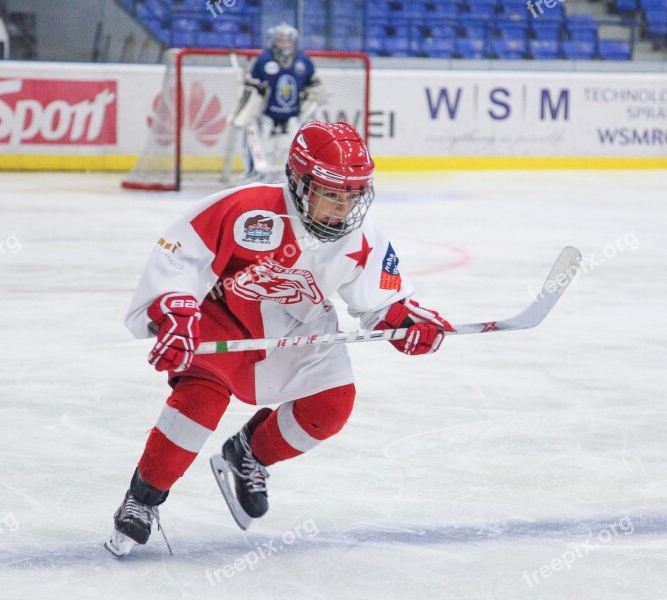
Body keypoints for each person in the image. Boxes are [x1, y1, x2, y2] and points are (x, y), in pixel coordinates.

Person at [105, 121, 453, 557]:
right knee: (201, 398)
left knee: (331, 405)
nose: (341, 209)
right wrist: (173, 306)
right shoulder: (247, 208)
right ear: (299, 182)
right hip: (224, 314)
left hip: (299, 326)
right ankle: (144, 497)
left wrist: (406, 323)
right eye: (331, 194)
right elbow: (178, 254)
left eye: (351, 196)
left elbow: (383, 302)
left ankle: (248, 452)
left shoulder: (360, 239)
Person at [224, 22, 326, 184]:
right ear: (273, 41)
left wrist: (313, 95)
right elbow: (253, 86)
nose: (284, 44)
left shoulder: (303, 60)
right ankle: (253, 173)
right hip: (267, 115)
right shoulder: (264, 59)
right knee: (255, 138)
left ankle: (300, 174)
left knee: (299, 143)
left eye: (287, 40)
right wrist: (252, 88)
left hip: (293, 115)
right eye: (280, 40)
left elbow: (314, 84)